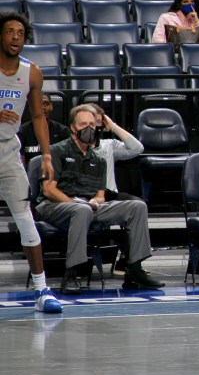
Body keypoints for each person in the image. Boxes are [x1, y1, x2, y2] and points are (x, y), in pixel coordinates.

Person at [36, 105, 165, 295]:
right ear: (73, 128)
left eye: (91, 124)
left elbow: (100, 195)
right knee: (82, 211)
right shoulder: (57, 151)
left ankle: (134, 269)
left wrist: (96, 202)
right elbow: (48, 190)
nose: (88, 128)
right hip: (54, 206)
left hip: (87, 207)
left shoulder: (100, 159)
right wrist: (75, 203)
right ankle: (71, 274)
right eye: (83, 124)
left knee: (137, 206)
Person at [0, 14, 63, 313]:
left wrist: (47, 155)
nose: (15, 36)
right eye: (10, 31)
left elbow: (38, 117)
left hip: (8, 153)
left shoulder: (32, 72)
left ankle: (42, 291)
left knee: (25, 217)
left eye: (21, 32)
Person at [84, 104, 144, 201]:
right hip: (82, 195)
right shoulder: (70, 147)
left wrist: (113, 126)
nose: (94, 126)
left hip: (109, 195)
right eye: (91, 122)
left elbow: (137, 148)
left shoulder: (109, 145)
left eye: (98, 122)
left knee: (138, 204)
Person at [18, 92, 70, 165]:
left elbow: (69, 160)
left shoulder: (63, 131)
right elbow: (20, 162)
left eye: (46, 103)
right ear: (30, 107)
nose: (42, 107)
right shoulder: (22, 132)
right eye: (38, 104)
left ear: (51, 106)